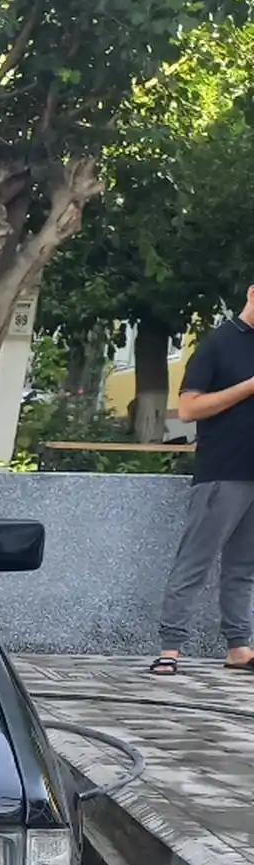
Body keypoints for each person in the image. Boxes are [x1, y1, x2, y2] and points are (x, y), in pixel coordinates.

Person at [151, 283, 254, 674]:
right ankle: (171, 647)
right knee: (196, 560)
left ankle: (239, 646)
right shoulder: (219, 343)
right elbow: (189, 408)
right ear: (252, 294)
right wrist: (249, 386)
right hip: (222, 473)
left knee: (244, 567)